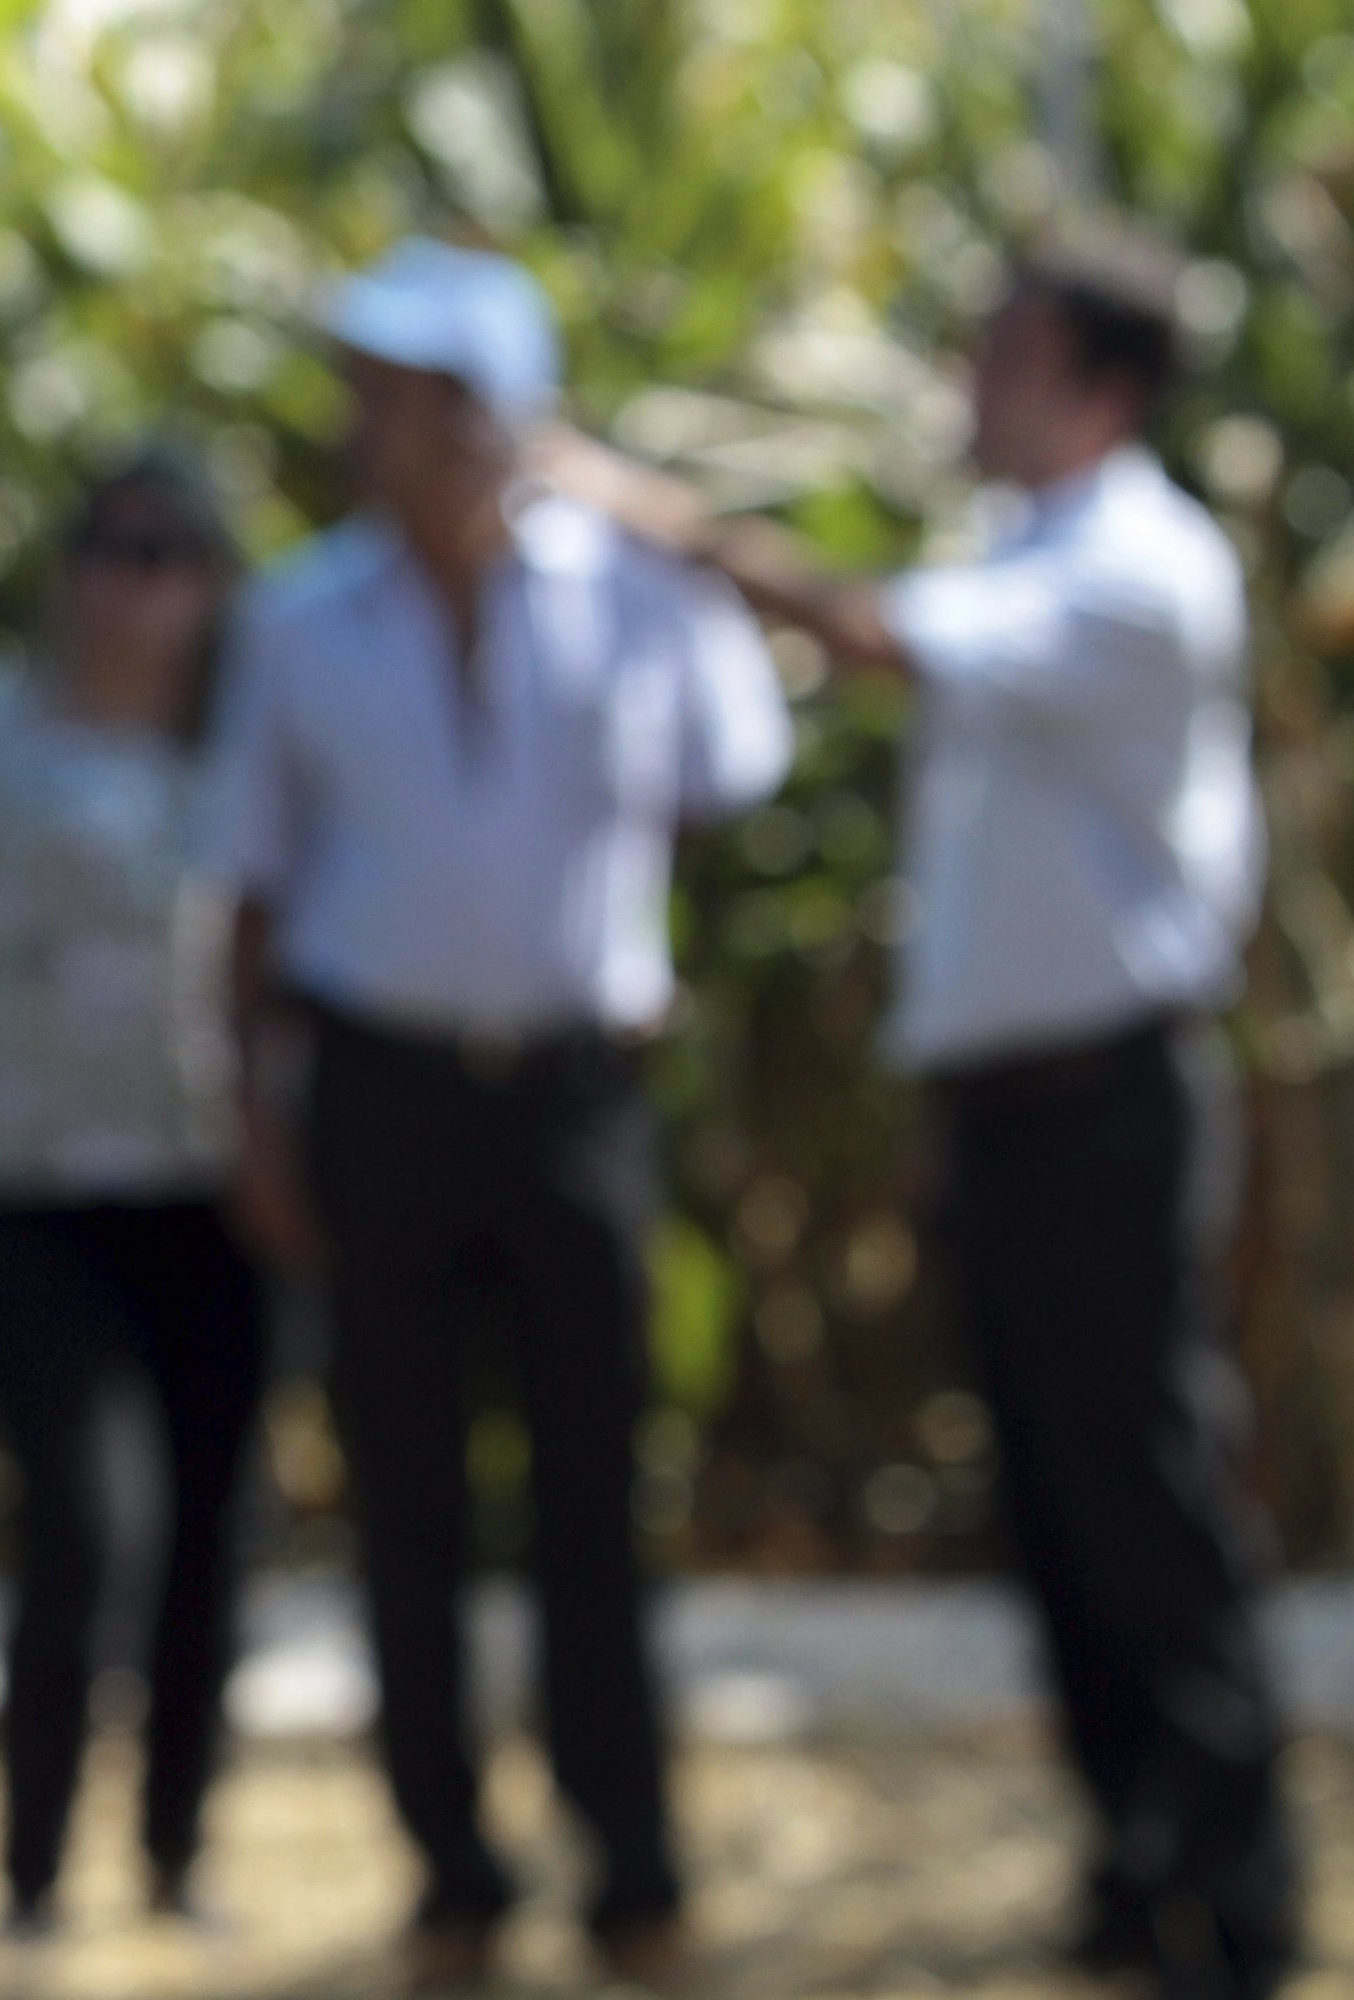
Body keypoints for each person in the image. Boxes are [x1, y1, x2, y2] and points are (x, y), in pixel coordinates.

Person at [563, 228, 1297, 2000]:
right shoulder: (1031, 550)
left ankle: (1240, 1903)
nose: (968, 376)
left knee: (1144, 1502)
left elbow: (874, 634)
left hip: (1112, 1104)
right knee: (1055, 1503)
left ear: (1100, 385)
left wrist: (662, 520)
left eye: (1006, 350)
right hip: (1018, 1108)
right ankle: (1134, 1872)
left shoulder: (1133, 566)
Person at [201, 239, 793, 1991]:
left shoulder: (636, 594)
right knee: (408, 1501)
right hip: (377, 1096)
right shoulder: (301, 621)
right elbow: (242, 895)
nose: (382, 430)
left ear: (507, 421)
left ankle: (635, 1875)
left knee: (598, 1500)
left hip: (573, 1098)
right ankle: (452, 1872)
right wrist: (253, 1118)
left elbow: (725, 780)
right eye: (373, 397)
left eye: (420, 399)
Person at [0, 449, 266, 1935]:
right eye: (107, 548)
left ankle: (177, 1857)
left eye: (167, 556)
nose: (129, 585)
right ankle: (29, 1874)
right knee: (83, 1524)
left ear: (213, 587)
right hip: (17, 1184)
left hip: (219, 1193)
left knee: (213, 1524)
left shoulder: (254, 753)